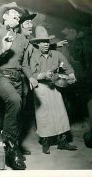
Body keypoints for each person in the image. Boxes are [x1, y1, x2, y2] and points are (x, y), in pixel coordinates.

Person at [0, 2, 37, 170]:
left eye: (18, 14)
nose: (17, 14)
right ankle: (11, 150)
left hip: (19, 80)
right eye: (12, 13)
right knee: (15, 101)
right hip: (2, 77)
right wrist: (5, 48)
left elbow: (25, 64)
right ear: (4, 17)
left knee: (18, 111)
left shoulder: (23, 39)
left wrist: (31, 78)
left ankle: (13, 144)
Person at [23, 25, 78, 154]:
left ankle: (62, 142)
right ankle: (45, 142)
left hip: (55, 86)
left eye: (47, 41)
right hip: (40, 87)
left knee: (60, 113)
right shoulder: (34, 56)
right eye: (42, 42)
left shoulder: (57, 54)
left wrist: (71, 75)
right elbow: (31, 74)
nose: (46, 44)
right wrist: (42, 75)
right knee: (43, 114)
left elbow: (68, 67)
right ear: (37, 44)